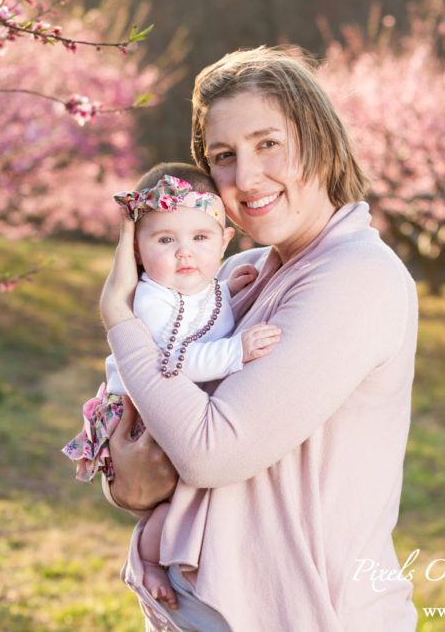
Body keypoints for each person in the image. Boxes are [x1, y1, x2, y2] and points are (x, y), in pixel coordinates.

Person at [98, 46, 419, 631]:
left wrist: (120, 317)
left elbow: (209, 451)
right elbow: (145, 433)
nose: (245, 178)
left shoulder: (356, 277)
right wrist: (130, 487)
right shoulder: (236, 276)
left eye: (268, 143)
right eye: (224, 156)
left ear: (319, 138)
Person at [62, 162, 281, 610]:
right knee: (178, 502)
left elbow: (201, 307)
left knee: (196, 497)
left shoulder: (202, 283)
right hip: (141, 417)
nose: (185, 254)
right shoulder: (151, 299)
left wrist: (224, 286)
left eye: (200, 239)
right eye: (166, 240)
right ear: (139, 251)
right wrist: (237, 351)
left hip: (167, 409)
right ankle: (146, 558)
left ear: (224, 241)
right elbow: (177, 360)